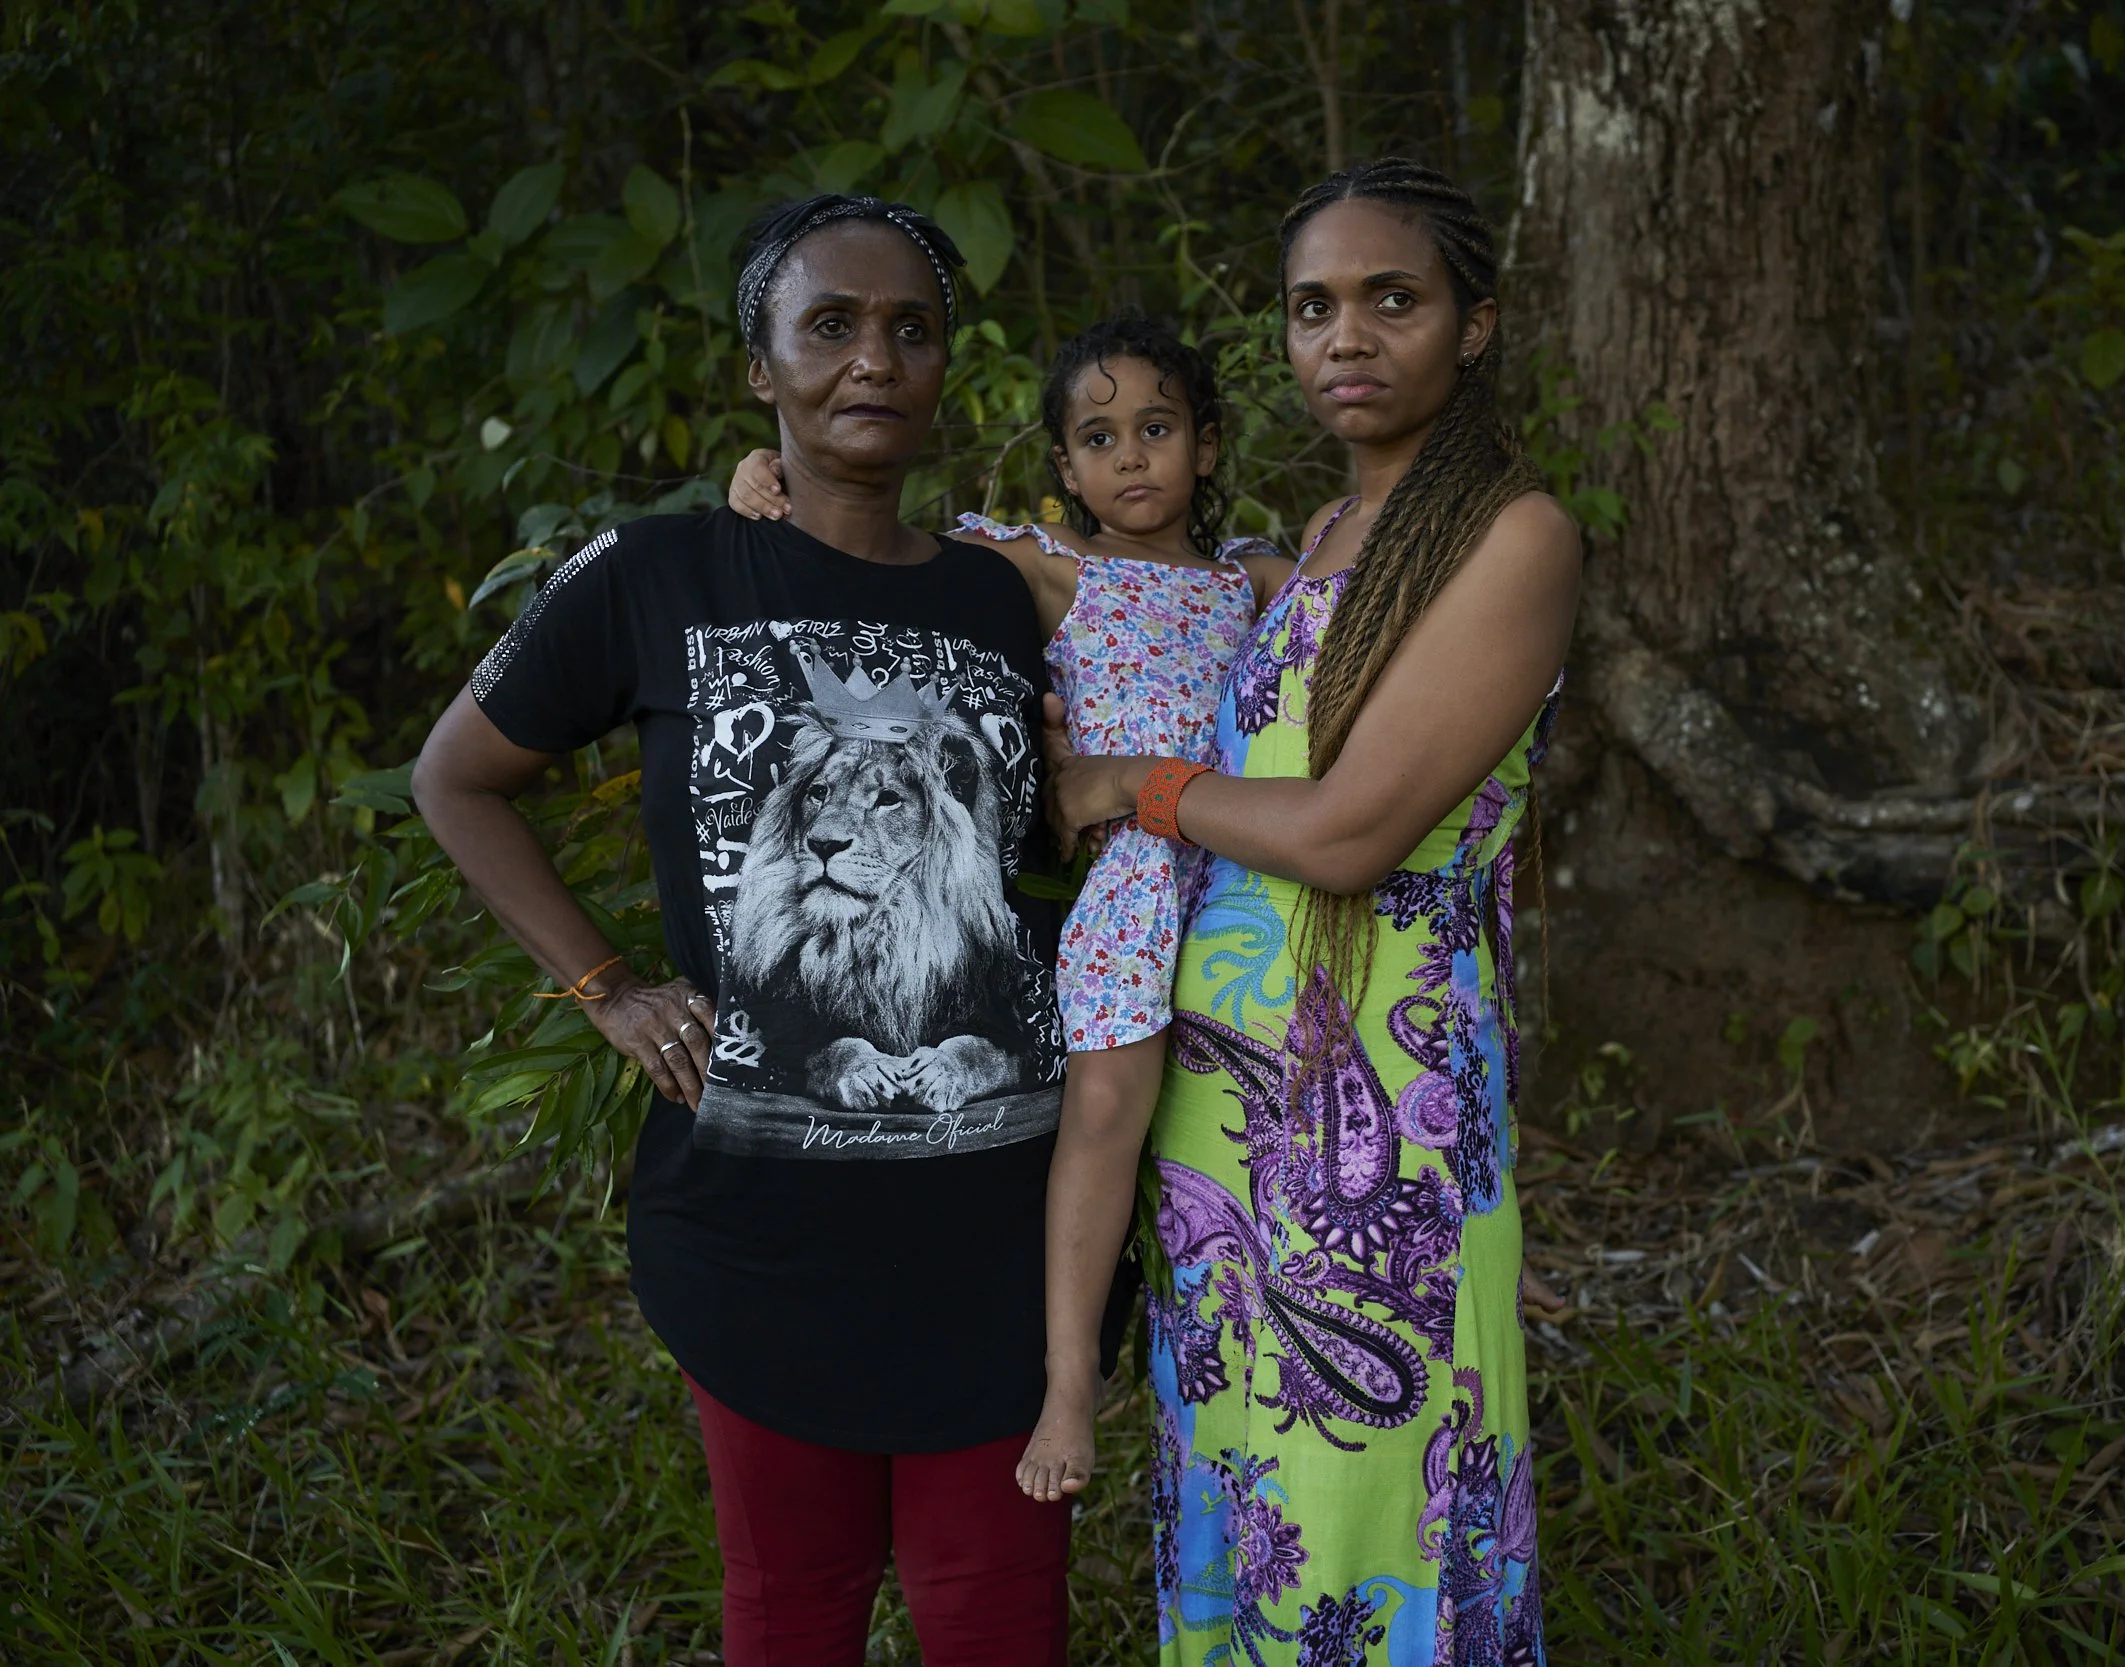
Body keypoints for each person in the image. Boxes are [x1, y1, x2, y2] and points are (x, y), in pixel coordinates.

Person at [411, 194, 1073, 1667]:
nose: (873, 360)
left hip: (1001, 1225)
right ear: (756, 370)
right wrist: (604, 985)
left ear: (946, 366)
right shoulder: (655, 572)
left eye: (911, 330)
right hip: (761, 1226)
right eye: (829, 326)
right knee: (791, 1612)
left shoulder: (1001, 595)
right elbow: (454, 777)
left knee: (1001, 1619)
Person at [1045, 159, 1578, 1665]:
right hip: (1217, 1130)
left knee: (1368, 1525)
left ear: (1474, 324)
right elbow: (1066, 573)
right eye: (1312, 308)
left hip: (1377, 1137)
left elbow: (1348, 835)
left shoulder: (1508, 537)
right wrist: (765, 493)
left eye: (1391, 299)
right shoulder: (1314, 541)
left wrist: (1129, 787)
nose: (1346, 335)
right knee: (1245, 1506)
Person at [726, 315, 1293, 1505]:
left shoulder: (1254, 577)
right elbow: (881, 534)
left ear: (1207, 441)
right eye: (1098, 438)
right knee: (1103, 1113)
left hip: (1257, 871)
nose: (1130, 458)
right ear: (1062, 467)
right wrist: (765, 472)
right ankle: (1069, 1378)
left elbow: (1366, 608)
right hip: (1136, 877)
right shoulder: (1052, 569)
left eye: (1156, 428)